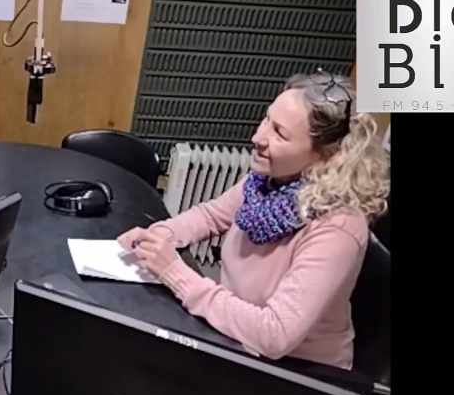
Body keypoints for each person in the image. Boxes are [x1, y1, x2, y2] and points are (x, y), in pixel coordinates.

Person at [118, 72, 389, 370]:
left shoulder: (338, 227)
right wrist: (160, 235)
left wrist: (174, 272)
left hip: (297, 372)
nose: (258, 138)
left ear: (328, 155)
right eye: (267, 120)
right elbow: (210, 216)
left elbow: (275, 335)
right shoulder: (267, 180)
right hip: (238, 337)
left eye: (280, 134)